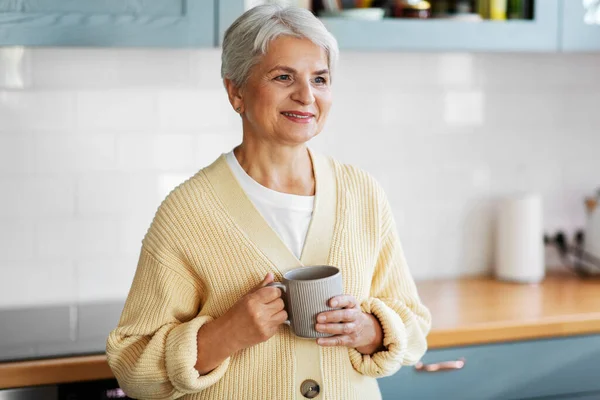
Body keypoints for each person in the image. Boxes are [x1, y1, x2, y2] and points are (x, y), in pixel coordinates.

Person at [106, 4, 431, 400]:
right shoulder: (187, 212)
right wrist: (224, 335)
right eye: (283, 77)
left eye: (320, 79)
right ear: (235, 91)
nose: (306, 96)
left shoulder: (361, 193)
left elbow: (414, 328)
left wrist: (370, 330)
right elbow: (133, 369)